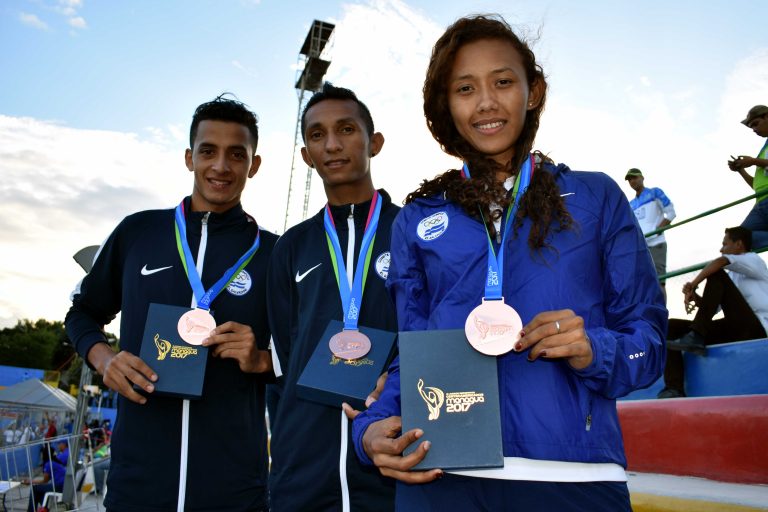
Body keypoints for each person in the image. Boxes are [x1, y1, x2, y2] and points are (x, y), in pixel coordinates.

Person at [351, 14, 666, 511]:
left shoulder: (596, 197)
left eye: (502, 82)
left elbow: (648, 343)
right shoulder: (418, 217)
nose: (486, 102)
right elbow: (410, 355)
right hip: (441, 474)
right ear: (445, 104)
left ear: (532, 91)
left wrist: (595, 349)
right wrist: (368, 433)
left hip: (574, 478)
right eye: (465, 88)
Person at [65, 94, 277, 512]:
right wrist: (105, 360)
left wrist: (262, 359)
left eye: (236, 154)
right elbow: (82, 313)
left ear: (253, 165)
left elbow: (301, 351)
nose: (221, 166)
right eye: (208, 151)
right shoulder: (138, 233)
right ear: (189, 157)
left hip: (234, 490)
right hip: (138, 483)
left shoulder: (274, 253)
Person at [267, 83, 397, 511]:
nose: (332, 144)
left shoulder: (411, 231)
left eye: (346, 129)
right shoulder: (291, 246)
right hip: (304, 473)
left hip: (391, 464)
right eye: (317, 135)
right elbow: (286, 356)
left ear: (374, 142)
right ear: (307, 155)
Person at [659, 226, 768, 398]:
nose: (721, 249)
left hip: (757, 328)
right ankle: (674, 389)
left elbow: (719, 262)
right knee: (671, 326)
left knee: (716, 274)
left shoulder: (753, 260)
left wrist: (694, 283)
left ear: (739, 244)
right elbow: (712, 308)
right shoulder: (731, 276)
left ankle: (696, 335)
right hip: (734, 329)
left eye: (725, 244)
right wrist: (695, 297)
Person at [625, 168, 676, 300]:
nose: (632, 181)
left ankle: (662, 312)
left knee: (659, 281)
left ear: (642, 177)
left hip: (656, 244)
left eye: (634, 177)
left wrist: (658, 230)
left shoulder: (655, 192)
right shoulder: (630, 204)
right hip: (640, 248)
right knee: (642, 284)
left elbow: (671, 212)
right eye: (629, 179)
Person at [729, 104, 768, 249]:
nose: (754, 130)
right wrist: (741, 170)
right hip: (761, 201)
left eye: (756, 124)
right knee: (736, 241)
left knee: (738, 240)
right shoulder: (765, 148)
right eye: (751, 127)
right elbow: (757, 185)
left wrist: (753, 161)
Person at [21, 447, 66, 512]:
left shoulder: (49, 464)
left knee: (34, 489)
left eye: (41, 454)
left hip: (59, 486)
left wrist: (30, 481)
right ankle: (44, 507)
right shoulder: (55, 462)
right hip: (63, 486)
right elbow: (46, 480)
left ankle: (31, 510)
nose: (41, 456)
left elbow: (44, 481)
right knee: (39, 490)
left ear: (44, 454)